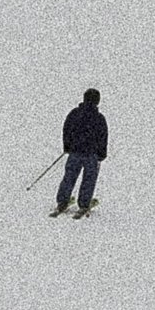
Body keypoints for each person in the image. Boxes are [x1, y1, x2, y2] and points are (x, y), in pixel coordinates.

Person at [54, 88, 107, 217]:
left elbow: (66, 129)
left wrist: (67, 146)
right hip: (91, 154)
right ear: (97, 101)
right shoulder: (99, 118)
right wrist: (102, 153)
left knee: (69, 177)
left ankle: (62, 201)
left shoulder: (74, 114)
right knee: (89, 179)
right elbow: (103, 136)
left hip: (75, 152)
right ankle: (84, 203)